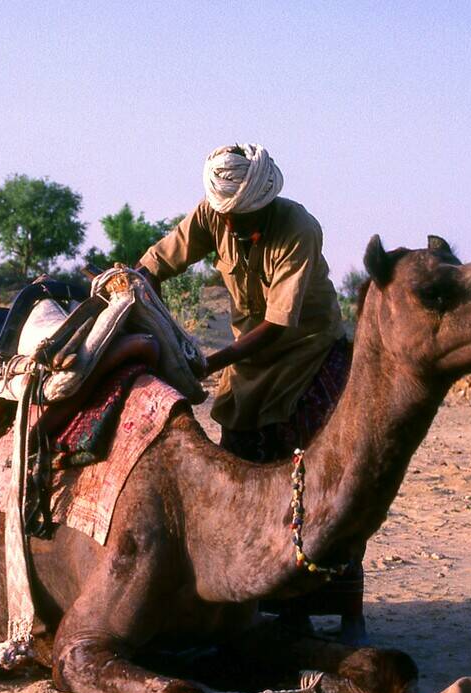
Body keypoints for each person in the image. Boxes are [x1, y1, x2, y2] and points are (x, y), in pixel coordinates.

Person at [137, 143, 366, 643]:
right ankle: (266, 597)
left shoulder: (298, 228)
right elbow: (161, 259)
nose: (233, 226)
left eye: (243, 217)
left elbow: (281, 326)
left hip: (306, 350)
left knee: (318, 470)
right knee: (241, 462)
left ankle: (346, 608)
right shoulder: (213, 216)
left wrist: (207, 363)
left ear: (263, 201)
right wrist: (133, 286)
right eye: (226, 217)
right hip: (249, 357)